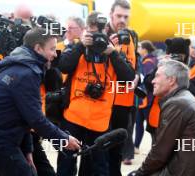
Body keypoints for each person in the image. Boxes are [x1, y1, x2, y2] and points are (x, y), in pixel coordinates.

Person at [0, 27, 80, 176]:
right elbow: (35, 119)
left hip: (2, 137)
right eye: (52, 49)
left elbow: (23, 116)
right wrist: (65, 139)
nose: (54, 54)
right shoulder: (27, 73)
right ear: (38, 48)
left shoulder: (20, 66)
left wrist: (27, 150)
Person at [56, 11, 135, 176]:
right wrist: (80, 45)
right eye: (92, 30)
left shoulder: (113, 51)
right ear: (86, 29)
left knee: (98, 166)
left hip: (100, 120)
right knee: (66, 162)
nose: (97, 34)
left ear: (106, 29)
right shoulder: (78, 47)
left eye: (101, 30)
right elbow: (63, 66)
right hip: (73, 116)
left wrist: (113, 53)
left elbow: (128, 77)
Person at [128, 59, 195, 176]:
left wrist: (139, 173)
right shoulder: (184, 99)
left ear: (171, 80)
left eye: (157, 76)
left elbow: (160, 153)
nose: (153, 81)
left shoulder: (177, 104)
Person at [106, 0, 138, 174]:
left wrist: (137, 76)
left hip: (124, 101)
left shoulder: (132, 35)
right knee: (101, 147)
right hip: (104, 100)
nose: (122, 20)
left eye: (126, 16)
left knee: (118, 147)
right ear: (111, 14)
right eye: (119, 16)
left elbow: (135, 62)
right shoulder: (102, 33)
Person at [134, 40, 157, 155]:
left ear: (145, 49)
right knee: (140, 124)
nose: (138, 50)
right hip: (145, 98)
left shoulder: (148, 62)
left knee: (150, 125)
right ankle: (136, 146)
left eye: (140, 48)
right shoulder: (152, 60)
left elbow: (147, 81)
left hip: (147, 98)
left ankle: (154, 147)